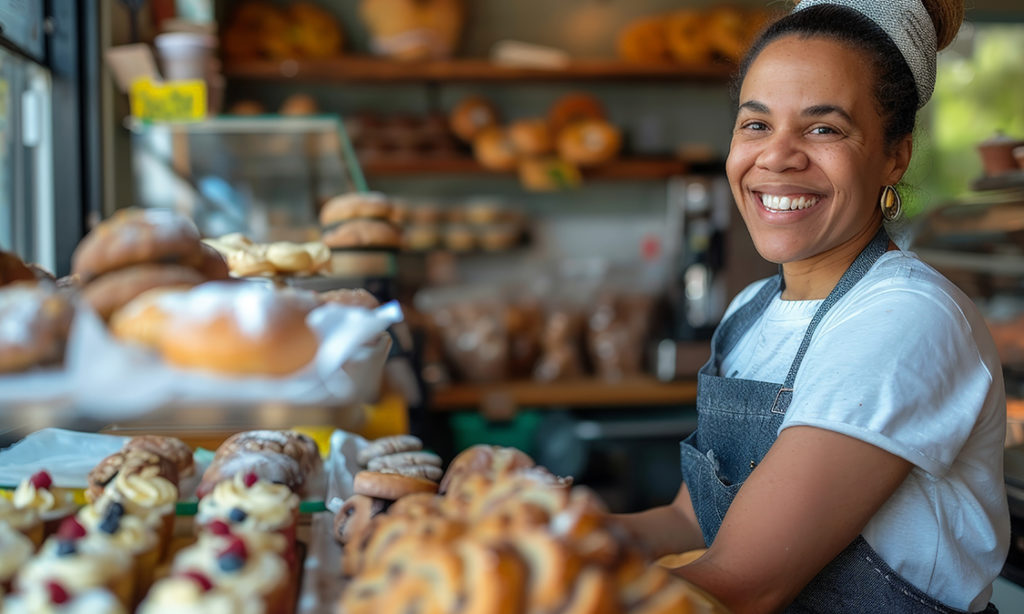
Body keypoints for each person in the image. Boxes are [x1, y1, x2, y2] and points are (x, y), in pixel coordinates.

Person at [614, 1, 1010, 612]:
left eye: (824, 128)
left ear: (894, 156)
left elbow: (742, 584)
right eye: (755, 124)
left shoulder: (905, 317)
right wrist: (535, 528)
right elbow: (690, 523)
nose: (777, 156)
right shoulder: (751, 309)